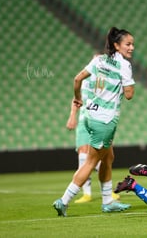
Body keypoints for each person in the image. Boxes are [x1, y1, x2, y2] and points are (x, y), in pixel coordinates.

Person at [53, 27, 135, 216]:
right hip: (105, 120)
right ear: (116, 45)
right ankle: (64, 201)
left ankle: (108, 201)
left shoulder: (98, 60)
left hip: (90, 116)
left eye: (132, 44)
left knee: (108, 157)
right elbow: (129, 94)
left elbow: (77, 79)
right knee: (90, 162)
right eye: (128, 44)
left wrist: (77, 98)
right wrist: (122, 84)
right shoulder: (123, 65)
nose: (132, 48)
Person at [65, 55, 120, 204]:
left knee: (104, 156)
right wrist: (72, 116)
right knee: (84, 155)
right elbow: (76, 99)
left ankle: (106, 193)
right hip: (85, 118)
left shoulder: (106, 80)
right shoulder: (86, 80)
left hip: (99, 119)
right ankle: (87, 193)